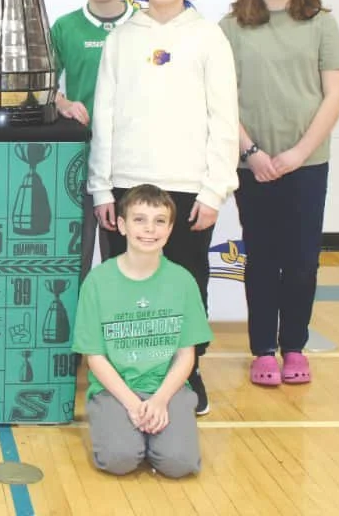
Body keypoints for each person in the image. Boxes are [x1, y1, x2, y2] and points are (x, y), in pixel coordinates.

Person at [87, 0, 238, 416]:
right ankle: (123, 380)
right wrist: (102, 187)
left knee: (187, 285)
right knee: (125, 285)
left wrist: (215, 189)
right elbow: (105, 113)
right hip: (127, 183)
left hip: (188, 187)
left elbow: (223, 117)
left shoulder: (208, 36)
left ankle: (187, 376)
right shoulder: (124, 37)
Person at [220, 0, 339, 387]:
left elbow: (335, 93)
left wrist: (298, 152)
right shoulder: (232, 26)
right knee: (263, 257)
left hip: (307, 164)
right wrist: (252, 153)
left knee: (301, 260)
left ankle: (294, 344)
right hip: (252, 164)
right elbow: (219, 99)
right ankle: (262, 351)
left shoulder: (320, 23)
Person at [72, 184, 212, 478]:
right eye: (139, 220)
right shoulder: (98, 283)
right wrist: (134, 404)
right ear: (122, 225)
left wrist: (160, 400)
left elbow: (186, 355)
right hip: (115, 390)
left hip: (167, 389)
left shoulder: (183, 281)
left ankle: (157, 436)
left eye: (159, 221)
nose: (150, 229)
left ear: (171, 229)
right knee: (119, 459)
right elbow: (94, 357)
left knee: (179, 464)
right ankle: (131, 432)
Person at [50, 0, 138, 279]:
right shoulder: (65, 27)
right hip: (83, 160)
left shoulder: (144, 24)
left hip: (134, 160)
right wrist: (64, 102)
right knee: (78, 258)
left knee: (129, 257)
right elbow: (43, 87)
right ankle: (80, 331)